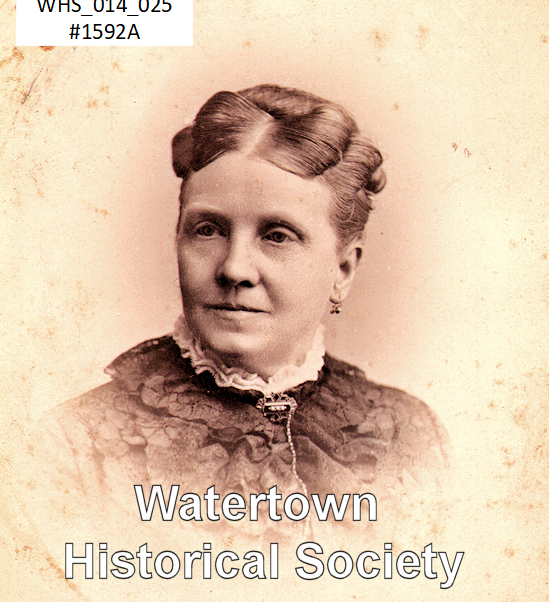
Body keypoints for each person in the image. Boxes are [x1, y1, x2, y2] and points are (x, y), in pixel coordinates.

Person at [20, 84, 449, 542]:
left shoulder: (412, 434)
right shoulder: (72, 444)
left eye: (277, 236)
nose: (234, 269)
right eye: (208, 230)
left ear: (342, 270)